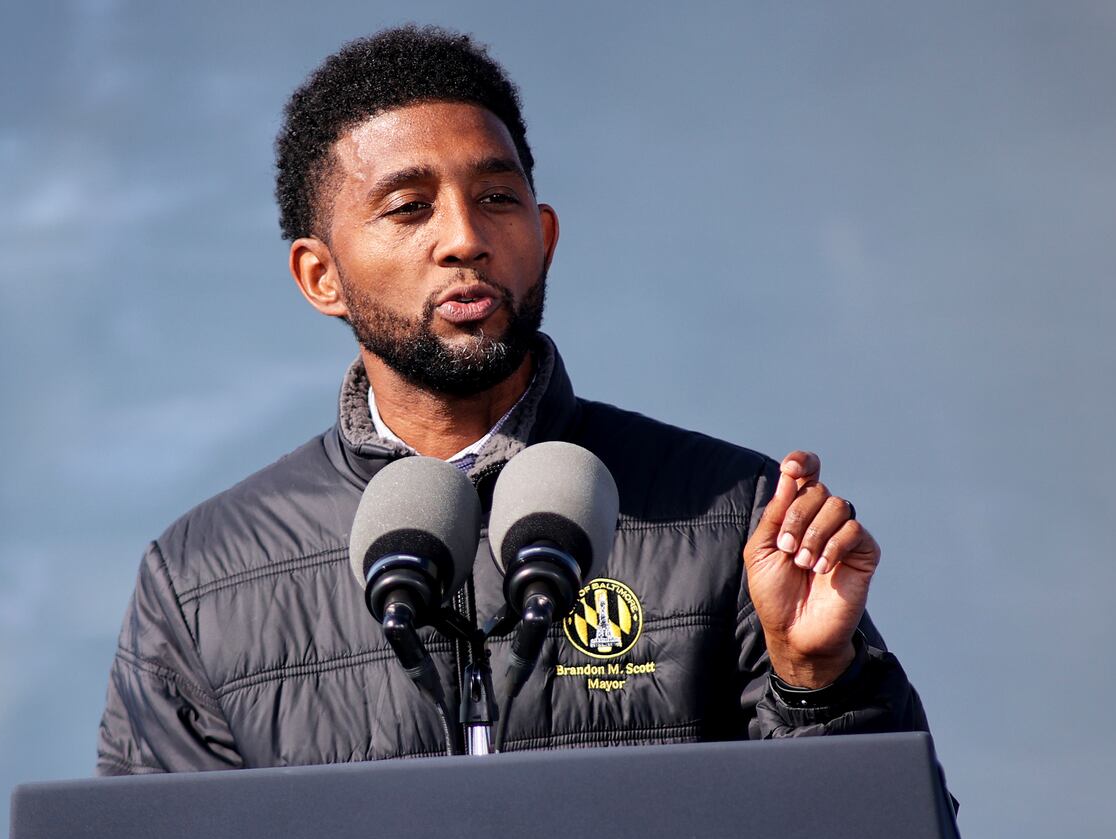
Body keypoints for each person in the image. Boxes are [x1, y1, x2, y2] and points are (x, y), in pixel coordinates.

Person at [95, 25, 930, 775]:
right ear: (322, 277)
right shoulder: (202, 581)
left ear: (546, 236)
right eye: (408, 207)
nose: (464, 238)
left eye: (498, 198)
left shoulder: (735, 520)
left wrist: (818, 683)